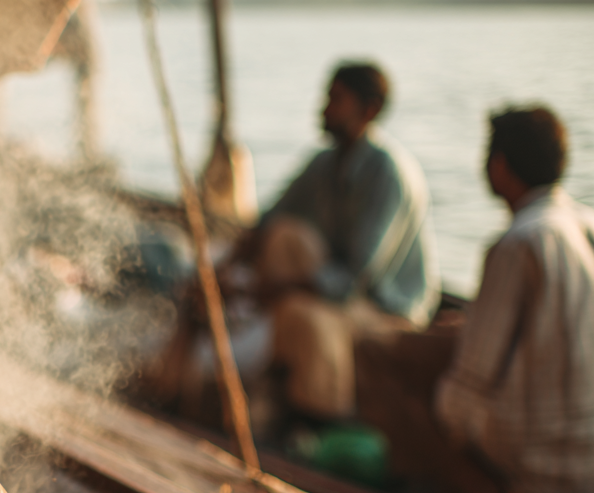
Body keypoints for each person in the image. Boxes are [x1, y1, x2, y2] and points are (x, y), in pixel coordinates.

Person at [357, 106, 594, 493]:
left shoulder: (519, 243)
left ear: (498, 167)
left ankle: (471, 490)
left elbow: (461, 400)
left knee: (380, 356)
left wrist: (424, 398)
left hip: (557, 481)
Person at [153, 61, 438, 424]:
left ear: (369, 110)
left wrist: (264, 291)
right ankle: (213, 387)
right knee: (286, 236)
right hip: (339, 294)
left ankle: (316, 414)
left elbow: (353, 280)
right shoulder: (326, 164)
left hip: (385, 312)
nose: (324, 108)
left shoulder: (387, 173)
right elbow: (267, 223)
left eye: (336, 100)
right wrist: (220, 274)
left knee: (300, 316)